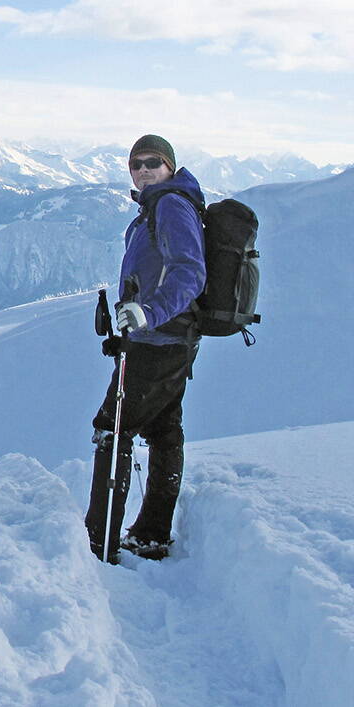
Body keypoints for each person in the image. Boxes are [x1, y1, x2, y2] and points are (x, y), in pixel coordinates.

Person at [85, 133, 207, 563]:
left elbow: (190, 273)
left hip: (160, 338)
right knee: (163, 431)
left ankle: (99, 541)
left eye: (153, 162)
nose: (143, 169)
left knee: (111, 429)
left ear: (170, 165)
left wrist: (148, 314)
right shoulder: (156, 207)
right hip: (164, 337)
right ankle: (151, 534)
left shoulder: (171, 204)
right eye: (135, 163)